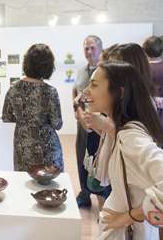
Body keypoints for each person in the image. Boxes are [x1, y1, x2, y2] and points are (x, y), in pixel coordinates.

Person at [83, 61, 163, 240]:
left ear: (120, 91)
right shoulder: (127, 130)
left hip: (128, 231)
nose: (86, 90)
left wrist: (128, 217)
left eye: (94, 85)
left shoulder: (131, 136)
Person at [2, 43, 64, 171]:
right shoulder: (50, 91)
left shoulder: (14, 88)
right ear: (48, 65)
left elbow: (6, 117)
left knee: (24, 182)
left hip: (22, 145)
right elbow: (57, 124)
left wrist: (23, 120)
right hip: (47, 147)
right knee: (49, 185)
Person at [72, 35, 103, 208]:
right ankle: (84, 194)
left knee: (98, 159)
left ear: (100, 49)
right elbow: (75, 88)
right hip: (83, 123)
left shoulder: (104, 70)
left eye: (92, 48)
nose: (89, 51)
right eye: (86, 48)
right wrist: (76, 110)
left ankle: (100, 194)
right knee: (81, 157)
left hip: (100, 125)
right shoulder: (81, 71)